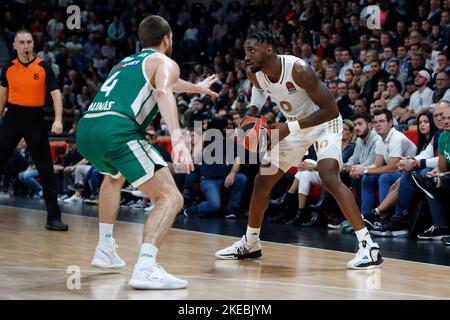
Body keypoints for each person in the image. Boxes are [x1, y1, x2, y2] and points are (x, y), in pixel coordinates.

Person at [215, 32, 383, 269]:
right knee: (262, 181)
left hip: (324, 123)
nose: (247, 55)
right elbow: (260, 89)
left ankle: (369, 246)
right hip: (294, 125)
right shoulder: (254, 72)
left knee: (329, 176)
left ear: (269, 50)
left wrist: (287, 127)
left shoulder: (298, 69)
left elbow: (331, 110)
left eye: (252, 50)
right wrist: (252, 112)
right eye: (245, 51)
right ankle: (251, 242)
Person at [76, 15, 218, 290]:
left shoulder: (126, 62)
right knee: (171, 198)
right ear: (166, 39)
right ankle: (146, 267)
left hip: (87, 128)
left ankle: (105, 249)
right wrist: (177, 139)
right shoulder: (165, 61)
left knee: (113, 178)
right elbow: (164, 91)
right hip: (118, 130)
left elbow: (167, 84)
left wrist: (196, 88)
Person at [0, 30, 68, 231]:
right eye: (21, 42)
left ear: (33, 44)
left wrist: (58, 120)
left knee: (46, 170)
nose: (26, 45)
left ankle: (53, 218)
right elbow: (2, 97)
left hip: (35, 119)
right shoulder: (8, 68)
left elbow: (56, 95)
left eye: (29, 41)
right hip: (12, 118)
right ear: (14, 46)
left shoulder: (44, 67)